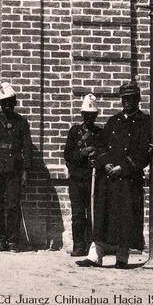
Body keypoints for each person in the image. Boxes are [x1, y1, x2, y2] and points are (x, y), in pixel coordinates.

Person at [77, 82, 150, 269]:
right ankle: (95, 256)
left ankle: (122, 258)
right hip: (108, 178)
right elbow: (101, 145)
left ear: (138, 99)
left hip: (128, 179)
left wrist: (123, 167)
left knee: (125, 219)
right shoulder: (113, 121)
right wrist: (106, 162)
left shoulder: (145, 122)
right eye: (124, 99)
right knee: (102, 217)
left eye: (131, 98)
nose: (127, 102)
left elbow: (144, 153)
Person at [0, 81, 32, 252]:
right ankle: (0, 240)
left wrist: (26, 170)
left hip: (14, 169)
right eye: (4, 103)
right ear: (1, 104)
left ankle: (13, 241)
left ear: (14, 102)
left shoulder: (21, 123)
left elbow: (27, 148)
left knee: (12, 205)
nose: (7, 106)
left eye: (10, 102)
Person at [62, 94, 102, 257]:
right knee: (78, 213)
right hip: (77, 179)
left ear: (95, 115)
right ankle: (79, 245)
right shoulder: (75, 132)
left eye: (92, 115)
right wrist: (82, 152)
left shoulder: (100, 133)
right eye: (86, 115)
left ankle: (93, 244)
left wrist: (96, 155)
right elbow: (68, 155)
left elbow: (105, 152)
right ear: (82, 115)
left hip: (93, 179)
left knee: (93, 212)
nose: (89, 118)